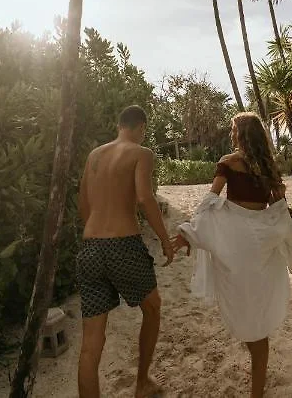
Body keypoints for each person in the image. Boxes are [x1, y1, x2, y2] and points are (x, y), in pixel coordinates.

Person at [173, 112, 292, 398]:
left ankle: (256, 385)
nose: (231, 133)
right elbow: (279, 213)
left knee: (244, 309)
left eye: (233, 129)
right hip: (260, 248)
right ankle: (257, 387)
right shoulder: (268, 168)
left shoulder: (228, 162)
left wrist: (192, 231)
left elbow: (210, 202)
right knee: (258, 313)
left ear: (240, 134)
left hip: (237, 248)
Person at [77, 104, 174, 398]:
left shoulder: (94, 156)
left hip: (90, 248)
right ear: (141, 128)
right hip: (123, 247)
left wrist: (97, 234)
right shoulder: (141, 153)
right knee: (153, 307)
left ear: (120, 125)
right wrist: (165, 240)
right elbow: (145, 198)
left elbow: (83, 204)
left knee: (91, 343)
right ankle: (142, 383)